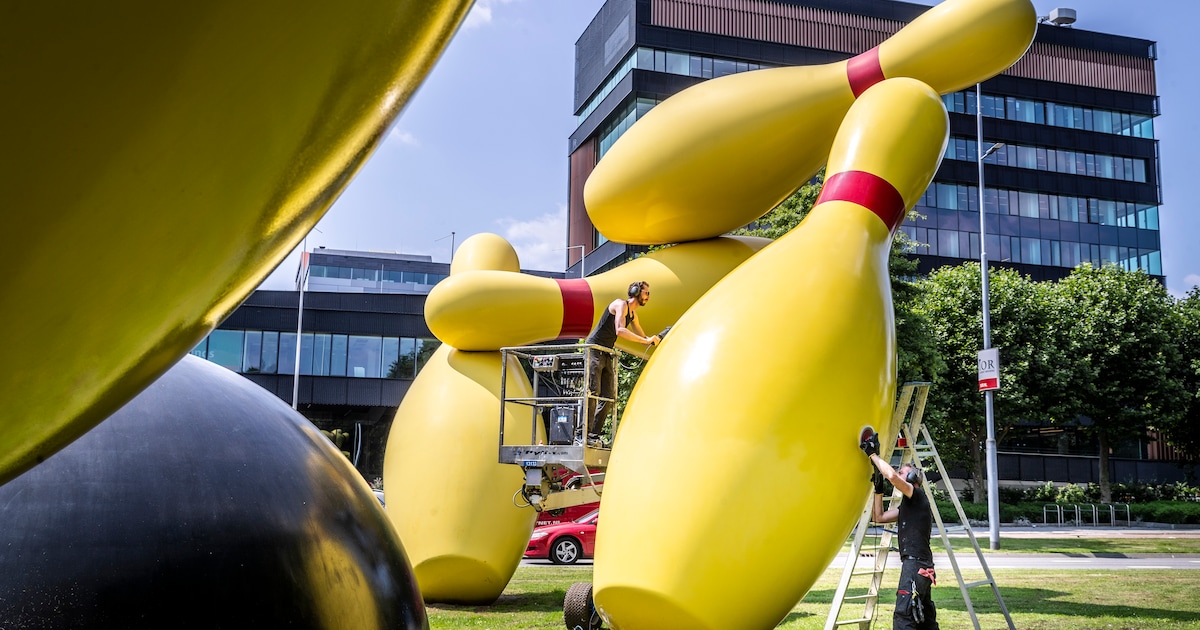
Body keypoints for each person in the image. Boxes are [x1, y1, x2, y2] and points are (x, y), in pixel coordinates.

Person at [861, 431, 940, 630]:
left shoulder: (917, 495)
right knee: (924, 619)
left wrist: (873, 455)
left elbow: (892, 477)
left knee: (904, 615)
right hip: (919, 565)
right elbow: (878, 518)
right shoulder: (908, 506)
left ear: (912, 477)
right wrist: (878, 490)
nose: (898, 473)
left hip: (915, 565)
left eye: (903, 472)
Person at [582, 281, 659, 447]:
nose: (648, 296)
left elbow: (642, 336)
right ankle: (581, 435)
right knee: (593, 391)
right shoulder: (620, 305)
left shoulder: (633, 315)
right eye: (646, 292)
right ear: (635, 291)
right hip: (594, 349)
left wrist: (650, 340)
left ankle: (593, 436)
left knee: (608, 397)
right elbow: (620, 330)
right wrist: (645, 341)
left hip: (606, 351)